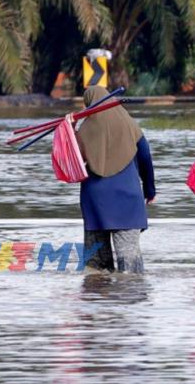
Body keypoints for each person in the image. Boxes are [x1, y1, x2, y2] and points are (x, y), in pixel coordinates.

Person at [76, 85, 156, 273]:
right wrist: (150, 190)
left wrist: (69, 129)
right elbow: (145, 157)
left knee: (97, 267)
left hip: (95, 201)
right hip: (127, 199)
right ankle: (127, 299)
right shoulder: (130, 124)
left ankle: (97, 300)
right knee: (130, 267)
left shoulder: (84, 129)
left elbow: (71, 161)